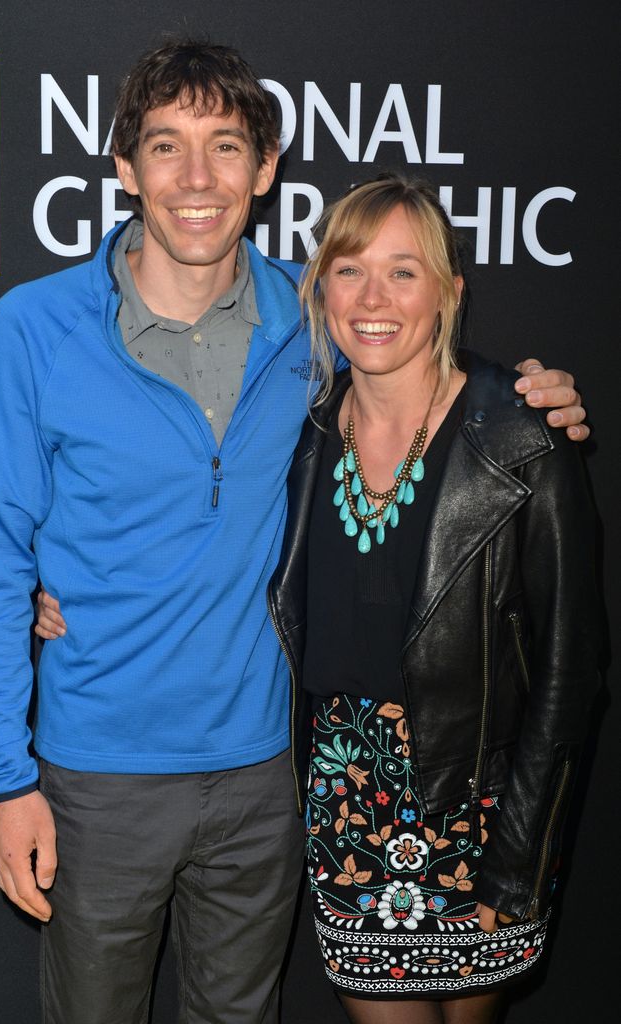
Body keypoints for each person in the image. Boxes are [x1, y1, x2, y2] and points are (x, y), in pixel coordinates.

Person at [0, 37, 586, 1024]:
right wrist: (5, 777)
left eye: (225, 146)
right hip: (98, 777)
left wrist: (531, 399)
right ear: (124, 169)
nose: (196, 179)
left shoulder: (314, 317)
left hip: (269, 778)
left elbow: (421, 358)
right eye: (165, 147)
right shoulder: (31, 330)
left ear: (265, 168)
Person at [265, 175, 599, 1023]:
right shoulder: (302, 433)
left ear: (450, 293)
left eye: (404, 272)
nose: (373, 298)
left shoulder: (524, 440)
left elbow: (570, 669)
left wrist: (520, 852)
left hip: (483, 799)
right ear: (319, 286)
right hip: (345, 797)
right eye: (349, 269)